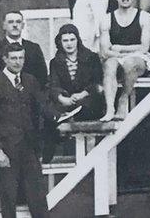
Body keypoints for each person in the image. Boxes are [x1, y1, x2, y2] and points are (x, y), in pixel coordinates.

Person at [0, 43, 57, 218]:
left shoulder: (30, 81)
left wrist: (59, 116)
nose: (17, 62)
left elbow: (42, 106)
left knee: (37, 197)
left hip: (29, 147)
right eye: (13, 58)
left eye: (21, 58)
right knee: (9, 198)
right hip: (7, 150)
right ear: (5, 59)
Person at [44, 24, 105, 162]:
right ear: (60, 42)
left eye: (72, 39)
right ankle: (48, 157)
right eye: (65, 40)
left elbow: (98, 82)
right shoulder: (56, 62)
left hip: (88, 100)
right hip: (67, 102)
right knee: (48, 111)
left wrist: (83, 93)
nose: (69, 44)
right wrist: (62, 98)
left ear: (78, 40)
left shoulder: (91, 57)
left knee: (88, 105)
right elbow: (53, 85)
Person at [100, 0, 150, 121]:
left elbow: (144, 47)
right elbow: (105, 51)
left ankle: (123, 99)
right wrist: (118, 53)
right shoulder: (107, 19)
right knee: (109, 64)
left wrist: (119, 49)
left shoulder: (144, 17)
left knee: (130, 63)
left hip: (138, 60)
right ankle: (110, 108)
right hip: (115, 58)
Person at [0, 11, 47, 86]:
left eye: (18, 22)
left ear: (23, 25)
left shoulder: (34, 48)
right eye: (11, 22)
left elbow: (42, 78)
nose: (15, 25)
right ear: (4, 26)